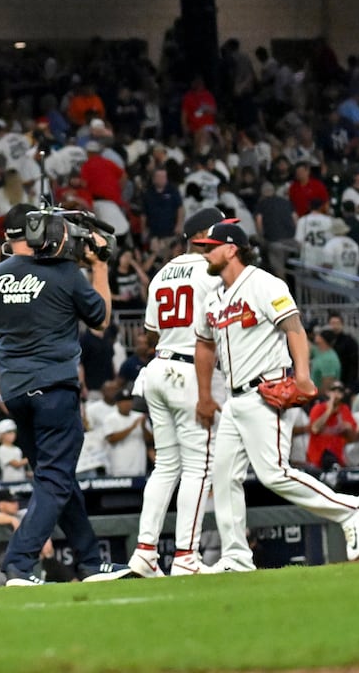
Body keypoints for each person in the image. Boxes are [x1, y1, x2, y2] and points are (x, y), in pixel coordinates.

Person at [192, 221, 359, 571]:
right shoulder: (213, 297)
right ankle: (236, 556)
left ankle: (350, 509)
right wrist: (204, 395)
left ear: (231, 249)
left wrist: (302, 376)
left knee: (273, 472)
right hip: (233, 398)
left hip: (266, 392)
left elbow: (294, 328)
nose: (204, 252)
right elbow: (203, 344)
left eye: (210, 246)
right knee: (223, 475)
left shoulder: (263, 283)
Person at [0, 203, 127, 585]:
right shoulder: (64, 274)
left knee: (58, 477)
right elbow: (101, 318)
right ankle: (19, 561)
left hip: (15, 393)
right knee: (55, 479)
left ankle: (91, 562)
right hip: (54, 389)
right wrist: (98, 266)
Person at [122, 207, 226, 578]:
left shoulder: (162, 273)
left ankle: (146, 552)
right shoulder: (212, 272)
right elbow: (219, 330)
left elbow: (150, 333)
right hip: (190, 371)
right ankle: (185, 556)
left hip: (159, 367)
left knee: (166, 466)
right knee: (199, 468)